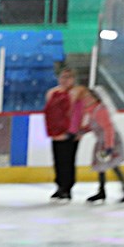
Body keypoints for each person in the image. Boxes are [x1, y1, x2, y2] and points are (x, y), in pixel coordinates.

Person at [79, 89, 124, 204]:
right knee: (101, 167)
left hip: (110, 140)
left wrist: (109, 147)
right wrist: (82, 131)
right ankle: (101, 191)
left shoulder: (100, 110)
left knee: (114, 166)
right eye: (84, 97)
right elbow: (92, 126)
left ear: (95, 98)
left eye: (88, 97)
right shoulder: (90, 110)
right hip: (102, 141)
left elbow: (108, 129)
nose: (85, 99)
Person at [44, 67, 86, 201]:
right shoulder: (53, 92)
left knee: (68, 161)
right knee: (58, 160)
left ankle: (67, 188)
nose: (65, 80)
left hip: (71, 132)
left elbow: (80, 112)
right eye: (63, 77)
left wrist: (80, 130)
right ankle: (59, 185)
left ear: (73, 79)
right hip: (56, 131)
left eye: (68, 77)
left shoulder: (78, 92)